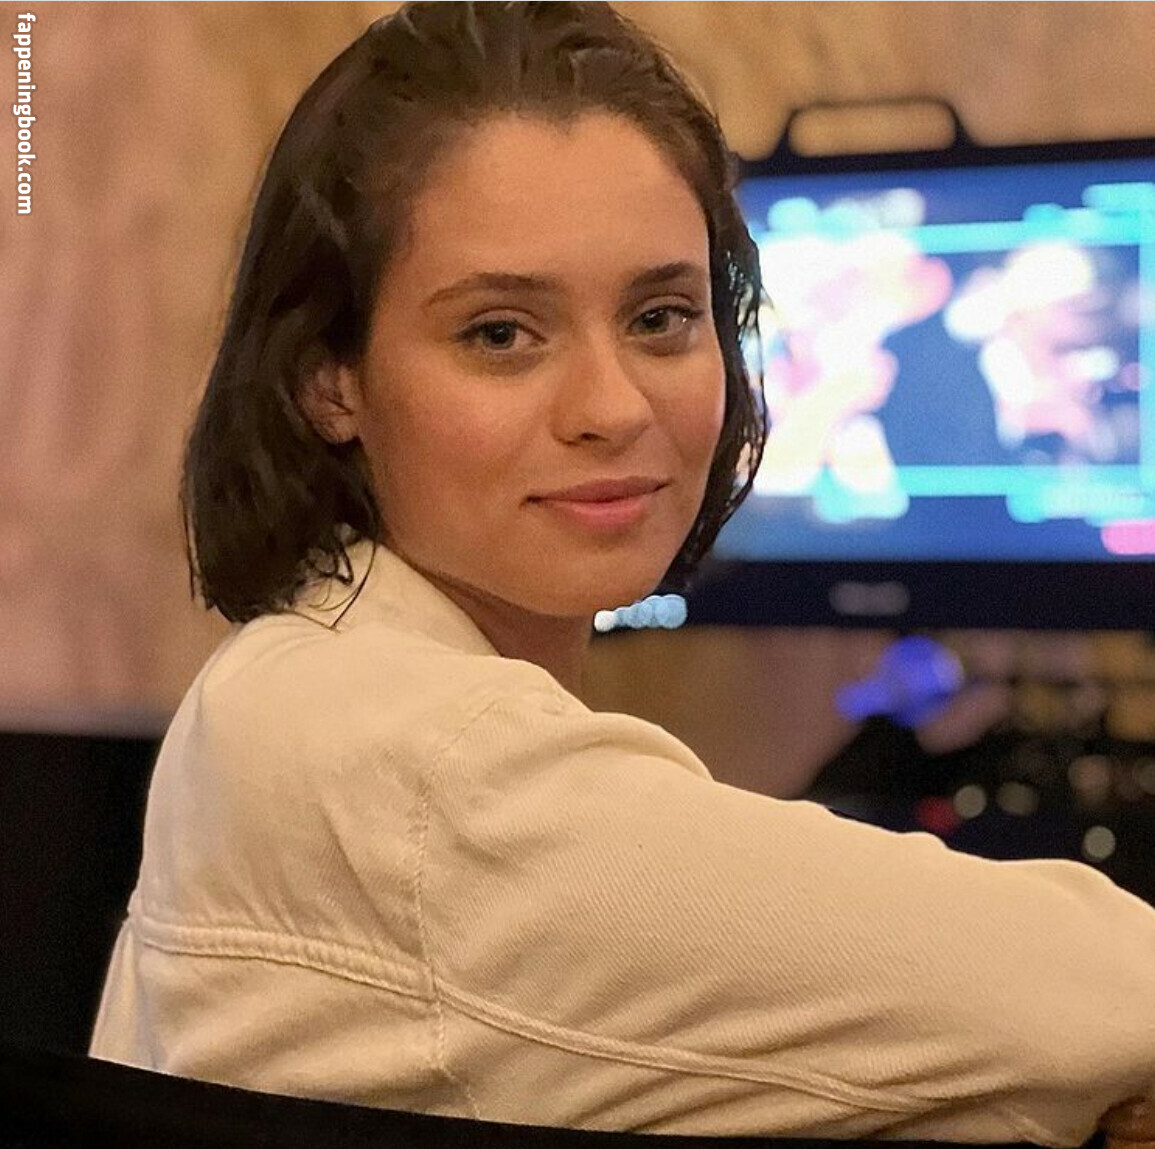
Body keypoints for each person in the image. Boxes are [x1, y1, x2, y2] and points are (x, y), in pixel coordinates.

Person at [91, 2, 1155, 1143]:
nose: (612, 407)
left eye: (660, 317)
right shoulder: (417, 766)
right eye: (501, 333)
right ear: (328, 381)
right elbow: (1095, 997)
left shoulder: (296, 680)